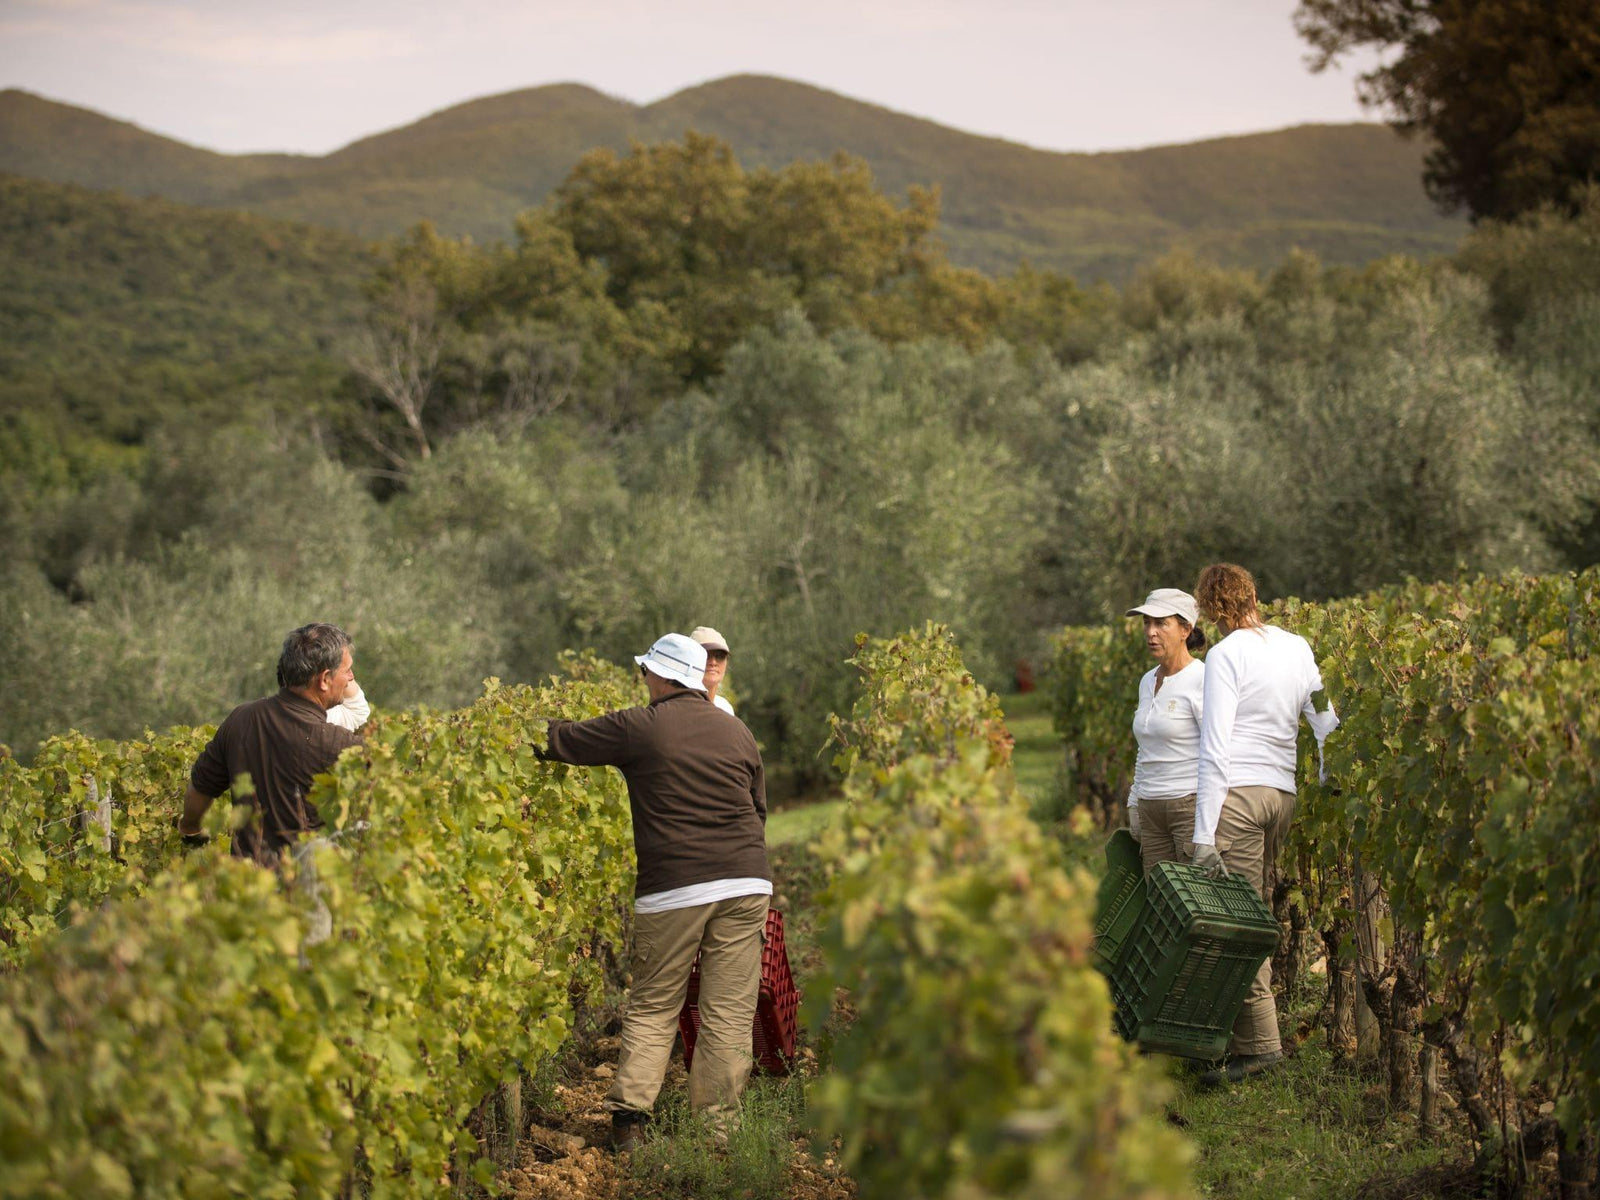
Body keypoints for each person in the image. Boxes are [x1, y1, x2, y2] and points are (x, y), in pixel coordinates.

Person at [535, 633, 769, 1151]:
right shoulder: (738, 732)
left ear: (660, 676)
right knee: (729, 1010)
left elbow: (561, 741)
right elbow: (758, 809)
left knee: (655, 1002)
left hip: (676, 886)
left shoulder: (642, 725)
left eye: (646, 673)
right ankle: (717, 1135)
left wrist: (503, 731)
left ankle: (630, 1124)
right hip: (748, 880)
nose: (643, 681)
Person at [1190, 564, 1338, 1084]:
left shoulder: (1225, 655)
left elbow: (1215, 749)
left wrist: (1203, 834)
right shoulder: (1295, 646)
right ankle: (1241, 1036)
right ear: (1254, 595)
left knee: (1239, 923)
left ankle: (1259, 1048)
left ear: (1210, 609)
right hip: (1282, 796)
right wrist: (1328, 769)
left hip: (1239, 799)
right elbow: (1323, 715)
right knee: (1252, 909)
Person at [179, 623, 363, 866]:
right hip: (303, 888)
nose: (351, 678)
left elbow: (201, 786)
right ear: (325, 680)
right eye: (347, 671)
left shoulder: (240, 719)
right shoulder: (336, 744)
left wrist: (190, 829)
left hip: (246, 886)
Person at [1123, 588, 1207, 875]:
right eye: (1147, 623)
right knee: (1158, 900)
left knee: (1194, 903)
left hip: (1187, 806)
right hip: (1150, 808)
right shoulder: (1148, 680)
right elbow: (1145, 747)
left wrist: (1207, 821)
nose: (1151, 632)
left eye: (1161, 623)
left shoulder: (1202, 679)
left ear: (1185, 629)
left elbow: (1217, 748)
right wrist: (1135, 801)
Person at [690, 625, 735, 716]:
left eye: (720, 656)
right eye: (705, 655)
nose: (713, 662)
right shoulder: (677, 706)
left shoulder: (725, 708)